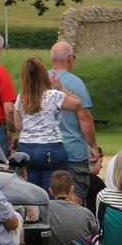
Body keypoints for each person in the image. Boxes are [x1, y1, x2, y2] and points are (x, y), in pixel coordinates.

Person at [11, 57, 82, 191]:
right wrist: (61, 88)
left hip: (27, 148)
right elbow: (78, 104)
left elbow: (18, 125)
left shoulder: (22, 98)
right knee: (53, 192)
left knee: (31, 193)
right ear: (44, 75)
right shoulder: (54, 95)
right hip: (51, 147)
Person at [49, 41, 101, 188]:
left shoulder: (40, 80)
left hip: (47, 147)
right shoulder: (76, 83)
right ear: (70, 58)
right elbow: (84, 118)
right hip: (72, 149)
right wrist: (93, 145)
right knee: (75, 190)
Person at [47, 170, 98, 245]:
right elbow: (96, 237)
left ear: (50, 191)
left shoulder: (45, 209)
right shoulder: (86, 213)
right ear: (72, 189)